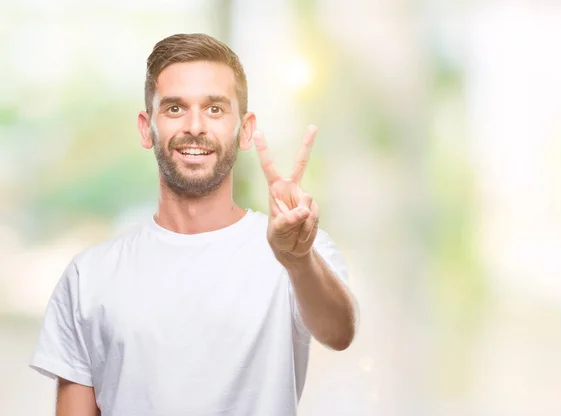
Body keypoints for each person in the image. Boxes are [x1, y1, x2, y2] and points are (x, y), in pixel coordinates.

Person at [29, 33, 357, 416]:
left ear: (246, 129)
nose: (195, 126)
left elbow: (340, 334)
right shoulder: (89, 276)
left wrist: (299, 260)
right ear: (145, 127)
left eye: (215, 109)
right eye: (174, 109)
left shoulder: (298, 251)